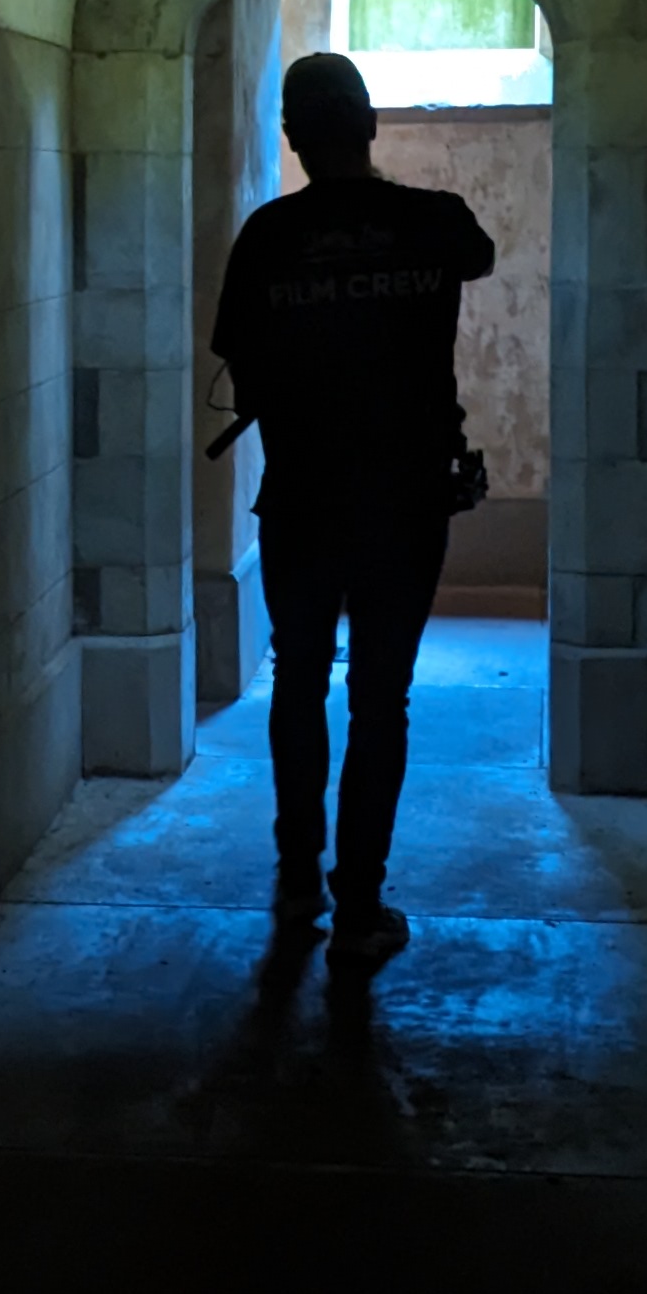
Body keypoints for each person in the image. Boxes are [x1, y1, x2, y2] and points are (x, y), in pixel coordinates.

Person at [209, 47, 496, 966]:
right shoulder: (434, 223)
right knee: (381, 699)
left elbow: (242, 361)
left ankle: (300, 883)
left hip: (301, 500)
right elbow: (475, 257)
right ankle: (359, 906)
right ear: (370, 125)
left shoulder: (265, 238)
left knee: (297, 682)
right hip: (404, 506)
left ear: (292, 139)